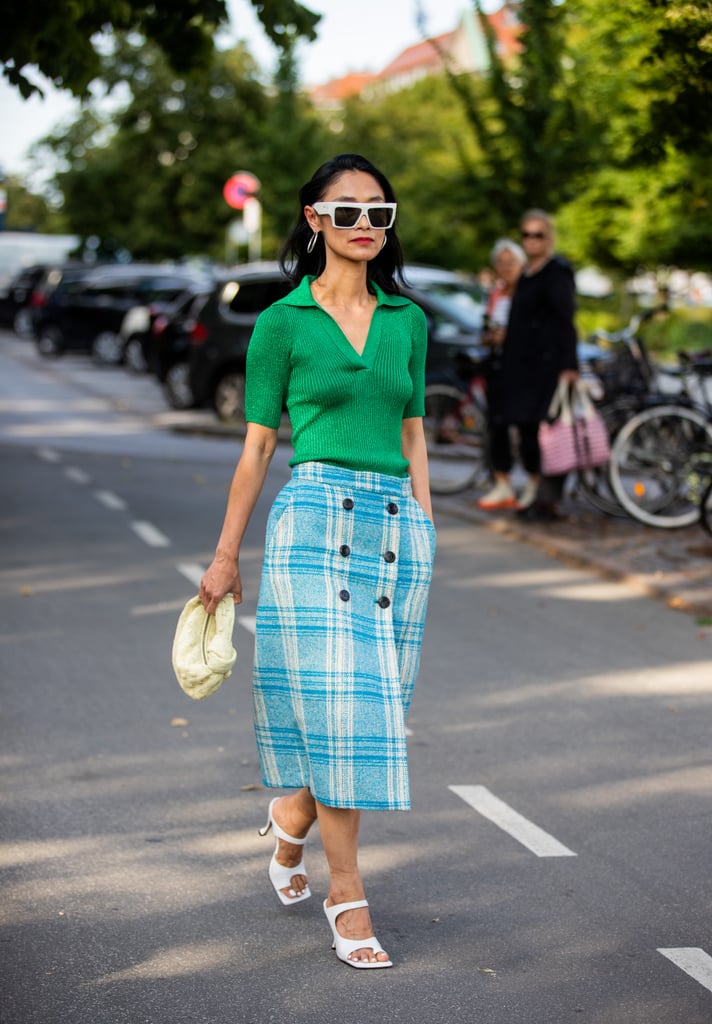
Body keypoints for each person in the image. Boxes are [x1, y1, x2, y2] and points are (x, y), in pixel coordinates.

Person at [198, 153, 436, 970]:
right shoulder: (282, 324)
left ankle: (293, 813)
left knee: (366, 717)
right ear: (314, 221)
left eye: (379, 211)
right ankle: (348, 892)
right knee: (347, 717)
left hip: (394, 529)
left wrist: (427, 527)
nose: (365, 225)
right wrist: (226, 557)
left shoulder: (408, 319)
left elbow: (412, 431)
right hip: (309, 525)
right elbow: (258, 445)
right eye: (347, 212)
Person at [482, 210, 579, 523]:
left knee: (541, 431)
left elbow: (566, 321)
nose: (531, 240)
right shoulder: (525, 275)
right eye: (526, 234)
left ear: (549, 238)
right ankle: (533, 490)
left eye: (538, 234)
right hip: (519, 366)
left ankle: (543, 494)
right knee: (523, 429)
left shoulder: (557, 272)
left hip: (546, 366)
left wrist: (569, 364)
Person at [476, 238, 530, 511]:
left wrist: (509, 337)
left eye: (511, 262)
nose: (506, 267)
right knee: (497, 426)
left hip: (523, 368)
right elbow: (485, 328)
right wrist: (491, 337)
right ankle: (502, 482)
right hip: (497, 366)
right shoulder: (495, 293)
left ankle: (533, 484)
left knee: (526, 425)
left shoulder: (528, 293)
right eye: (501, 263)